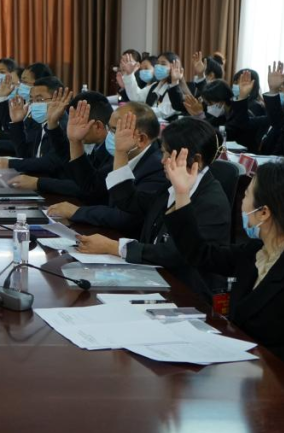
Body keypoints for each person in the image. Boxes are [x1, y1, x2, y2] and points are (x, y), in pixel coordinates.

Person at [164, 155, 284, 374]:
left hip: (273, 383)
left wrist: (254, 357)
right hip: (242, 370)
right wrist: (182, 193)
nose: (242, 203)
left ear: (264, 212)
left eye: (246, 195)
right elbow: (202, 254)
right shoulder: (258, 250)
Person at [72, 116, 232, 298]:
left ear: (196, 159)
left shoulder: (212, 203)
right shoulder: (171, 186)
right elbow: (130, 201)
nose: (162, 161)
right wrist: (121, 153)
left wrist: (114, 247)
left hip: (187, 292)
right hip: (154, 276)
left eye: (168, 155)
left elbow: (175, 254)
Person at [47, 101, 170, 237]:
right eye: (109, 128)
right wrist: (75, 142)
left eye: (115, 130)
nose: (108, 135)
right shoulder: (125, 154)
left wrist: (77, 212)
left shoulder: (159, 167)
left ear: (141, 139)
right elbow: (92, 186)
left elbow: (127, 218)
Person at [11, 91, 114, 200]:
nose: (72, 127)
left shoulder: (113, 153)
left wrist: (38, 183)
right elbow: (68, 160)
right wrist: (52, 124)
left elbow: (88, 187)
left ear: (97, 126)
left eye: (78, 123)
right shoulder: (96, 146)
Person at [0, 76, 68, 175]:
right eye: (32, 100)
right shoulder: (39, 123)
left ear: (58, 99)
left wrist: (10, 163)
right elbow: (25, 155)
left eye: (39, 99)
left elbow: (50, 162)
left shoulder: (64, 127)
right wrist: (17, 123)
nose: (34, 104)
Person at [118, 52, 185, 119]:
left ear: (175, 67)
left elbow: (163, 112)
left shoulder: (176, 89)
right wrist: (129, 74)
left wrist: (139, 111)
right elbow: (136, 97)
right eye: (157, 63)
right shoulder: (155, 86)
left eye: (163, 64)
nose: (158, 66)